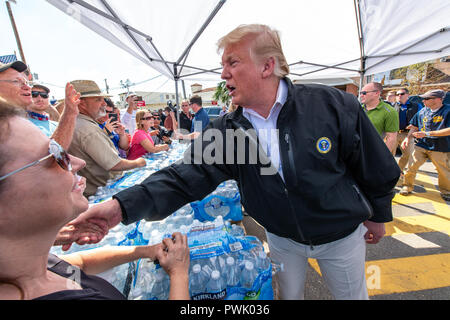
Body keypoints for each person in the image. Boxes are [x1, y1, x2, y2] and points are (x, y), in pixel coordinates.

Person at [63, 24, 400, 300]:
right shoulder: (226, 130)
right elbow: (183, 178)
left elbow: (374, 165)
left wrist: (379, 215)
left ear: (268, 66)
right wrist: (120, 207)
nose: (222, 74)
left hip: (341, 237)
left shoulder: (331, 105)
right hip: (282, 239)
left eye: (232, 63)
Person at [0, 104, 190, 300]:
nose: (78, 162)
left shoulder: (29, 269)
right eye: (54, 156)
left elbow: (77, 264)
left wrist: (147, 250)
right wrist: (179, 273)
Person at [67, 80, 146, 197]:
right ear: (81, 103)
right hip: (102, 194)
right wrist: (139, 162)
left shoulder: (77, 123)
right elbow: (115, 164)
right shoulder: (87, 128)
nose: (104, 103)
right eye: (98, 99)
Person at [0, 61, 80, 151]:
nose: (28, 87)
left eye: (26, 82)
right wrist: (69, 114)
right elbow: (49, 159)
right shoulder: (7, 127)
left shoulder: (15, 122)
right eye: (16, 81)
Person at [400, 89, 449, 201]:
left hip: (440, 147)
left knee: (443, 170)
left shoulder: (448, 110)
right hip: (421, 145)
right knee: (411, 166)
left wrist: (427, 133)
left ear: (438, 99)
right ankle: (407, 186)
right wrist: (407, 138)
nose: (423, 101)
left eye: (427, 98)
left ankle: (446, 191)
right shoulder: (423, 111)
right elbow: (414, 126)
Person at [360, 82, 399, 154]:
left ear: (376, 93)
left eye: (364, 93)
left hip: (371, 152)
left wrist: (384, 157)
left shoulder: (390, 112)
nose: (361, 95)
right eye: (360, 93)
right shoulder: (358, 108)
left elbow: (391, 137)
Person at [394, 88, 420, 176]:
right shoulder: (393, 106)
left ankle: (399, 170)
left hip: (408, 134)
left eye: (401, 94)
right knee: (389, 153)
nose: (399, 96)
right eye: (397, 94)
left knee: (408, 154)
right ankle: (390, 170)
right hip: (394, 133)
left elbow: (419, 119)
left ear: (408, 95)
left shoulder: (416, 106)